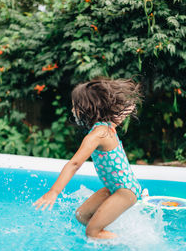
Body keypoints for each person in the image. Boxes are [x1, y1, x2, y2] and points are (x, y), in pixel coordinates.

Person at [33, 77, 143, 239]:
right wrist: (126, 109)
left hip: (125, 191)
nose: (72, 110)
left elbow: (75, 164)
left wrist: (54, 192)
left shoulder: (96, 135)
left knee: (91, 232)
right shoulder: (109, 125)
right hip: (114, 188)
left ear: (86, 108)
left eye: (74, 106)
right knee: (81, 215)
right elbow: (119, 118)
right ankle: (106, 232)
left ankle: (129, 244)